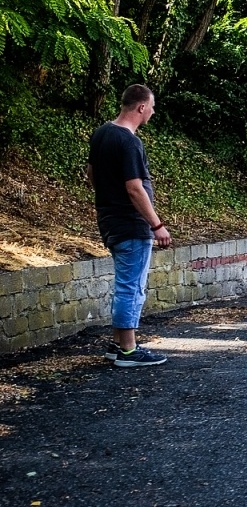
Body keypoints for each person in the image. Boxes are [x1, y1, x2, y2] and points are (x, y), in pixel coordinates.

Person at [87, 83, 173, 366]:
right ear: (141, 107)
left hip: (110, 221)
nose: (153, 112)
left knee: (126, 284)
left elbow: (91, 173)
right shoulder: (129, 141)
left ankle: (117, 345)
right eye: (152, 107)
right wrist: (157, 225)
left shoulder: (102, 133)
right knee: (132, 287)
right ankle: (128, 351)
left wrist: (109, 199)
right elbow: (135, 188)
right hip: (131, 224)